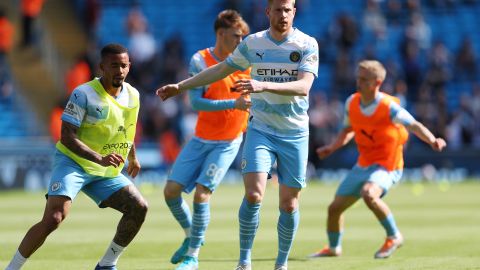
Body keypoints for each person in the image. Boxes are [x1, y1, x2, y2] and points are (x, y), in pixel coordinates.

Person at [156, 1, 319, 269]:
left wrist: (260, 84)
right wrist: (181, 87)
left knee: (289, 205)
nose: (283, 14)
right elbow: (221, 68)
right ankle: (244, 262)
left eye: (287, 9)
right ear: (268, 12)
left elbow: (304, 87)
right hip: (260, 129)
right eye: (277, 9)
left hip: (295, 132)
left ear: (294, 12)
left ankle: (281, 263)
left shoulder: (307, 44)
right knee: (254, 195)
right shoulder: (253, 44)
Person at [5, 43, 148, 270]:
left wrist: (132, 157)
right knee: (54, 218)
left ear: (129, 67)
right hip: (73, 163)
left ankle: (107, 264)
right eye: (114, 65)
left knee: (139, 207)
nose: (119, 71)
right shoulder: (83, 94)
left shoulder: (133, 95)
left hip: (104, 171)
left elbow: (127, 129)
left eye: (123, 66)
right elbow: (66, 136)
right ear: (102, 67)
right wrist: (98, 158)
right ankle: (12, 268)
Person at [309, 60, 446, 259]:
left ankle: (394, 236)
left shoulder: (388, 107)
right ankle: (333, 248)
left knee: (369, 194)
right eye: (358, 78)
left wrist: (433, 140)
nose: (359, 82)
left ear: (378, 83)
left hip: (388, 165)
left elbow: (414, 125)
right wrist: (332, 147)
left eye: (364, 79)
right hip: (364, 163)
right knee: (334, 208)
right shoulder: (352, 102)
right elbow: (348, 131)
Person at [164, 9, 251, 270]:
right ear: (220, 33)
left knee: (202, 195)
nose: (240, 41)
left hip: (228, 141)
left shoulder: (247, 61)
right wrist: (233, 104)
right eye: (236, 36)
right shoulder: (200, 60)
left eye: (243, 36)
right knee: (170, 192)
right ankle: (193, 235)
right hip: (201, 138)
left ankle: (193, 256)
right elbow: (196, 102)